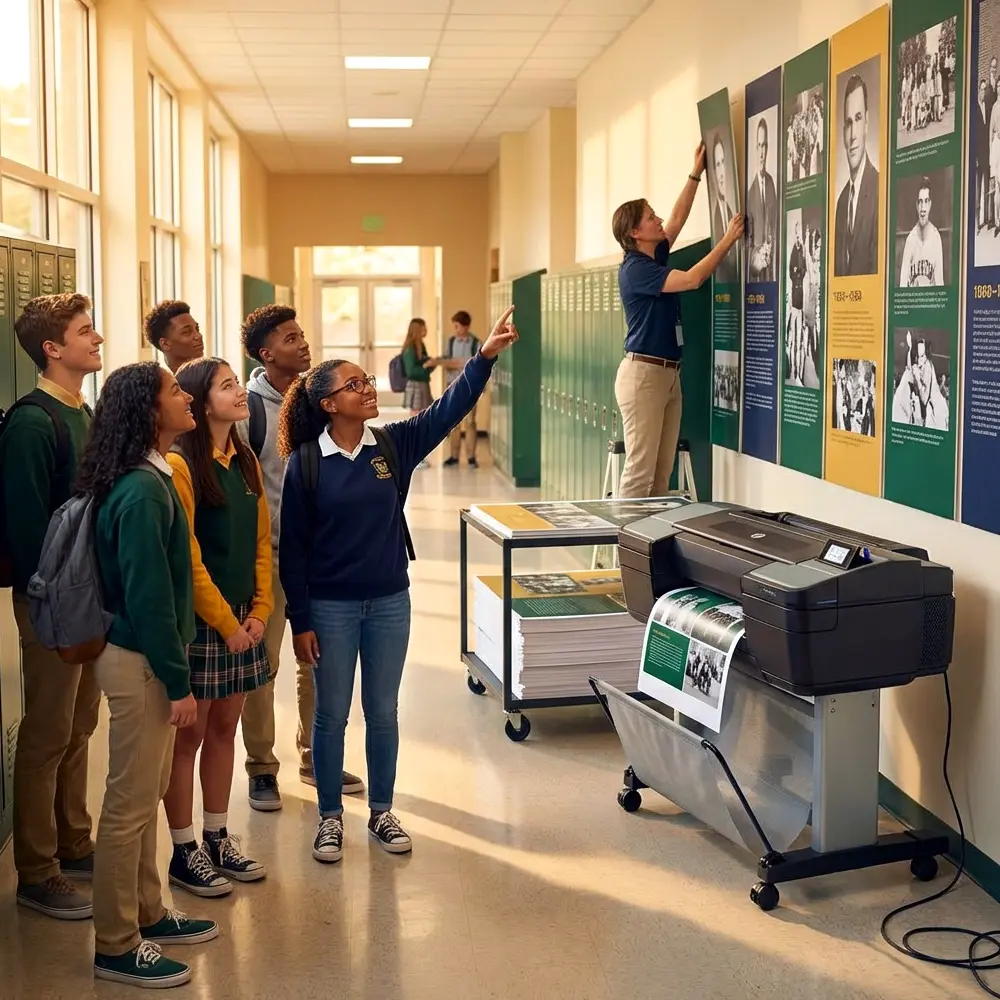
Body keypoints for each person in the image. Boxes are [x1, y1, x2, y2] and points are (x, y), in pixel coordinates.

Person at [278, 307, 518, 863]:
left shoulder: (390, 446)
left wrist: (483, 359)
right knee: (331, 713)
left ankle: (382, 811)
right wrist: (302, 622)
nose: (366, 389)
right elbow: (293, 550)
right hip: (331, 609)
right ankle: (331, 818)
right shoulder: (308, 464)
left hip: (389, 601)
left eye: (365, 381)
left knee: (383, 711)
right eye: (353, 385)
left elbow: (447, 410)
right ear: (328, 404)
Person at [77, 362, 217, 989]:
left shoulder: (155, 475)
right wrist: (179, 682)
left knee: (147, 788)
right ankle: (115, 943)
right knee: (128, 806)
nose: (185, 397)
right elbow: (150, 598)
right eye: (173, 392)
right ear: (147, 411)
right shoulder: (139, 492)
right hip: (139, 663)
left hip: (149, 659)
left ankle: (148, 912)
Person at [238, 304, 365, 811]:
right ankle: (262, 769)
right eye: (291, 338)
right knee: (262, 665)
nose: (303, 343)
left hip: (319, 557)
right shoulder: (249, 410)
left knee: (314, 660)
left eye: (302, 333)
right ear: (268, 353)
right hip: (268, 559)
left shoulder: (318, 399)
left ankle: (315, 758)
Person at [0, 293, 102, 920]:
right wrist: (53, 604)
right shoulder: (32, 423)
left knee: (80, 724)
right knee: (45, 733)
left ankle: (72, 839)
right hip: (51, 601)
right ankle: (36, 870)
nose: (96, 338)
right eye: (84, 331)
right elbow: (28, 527)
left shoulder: (80, 411)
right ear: (52, 349)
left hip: (88, 596)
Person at [163, 358, 272, 898]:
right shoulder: (183, 464)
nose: (240, 392)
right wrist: (228, 624)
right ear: (202, 401)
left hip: (244, 622)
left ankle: (216, 835)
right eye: (228, 386)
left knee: (226, 731)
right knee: (191, 737)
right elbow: (188, 559)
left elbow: (259, 544)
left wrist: (260, 611)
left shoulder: (246, 457)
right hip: (207, 625)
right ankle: (184, 850)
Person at [611, 148, 745, 500]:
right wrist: (727, 241)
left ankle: (649, 554)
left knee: (660, 478)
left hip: (668, 374)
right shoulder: (636, 269)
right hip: (644, 377)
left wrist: (695, 174)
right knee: (639, 477)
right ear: (636, 233)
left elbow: (676, 219)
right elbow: (692, 280)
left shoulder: (651, 254)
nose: (658, 221)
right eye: (650, 218)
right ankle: (624, 556)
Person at [834, 74, 880, 277]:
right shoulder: (842, 201)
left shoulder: (880, 189)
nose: (853, 135)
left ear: (867, 124)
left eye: (858, 119)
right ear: (843, 131)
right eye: (848, 123)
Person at [441, 310, 481, 468]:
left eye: (458, 327)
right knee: (454, 423)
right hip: (453, 386)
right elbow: (446, 361)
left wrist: (459, 363)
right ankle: (454, 456)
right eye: (455, 326)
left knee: (470, 422)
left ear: (466, 326)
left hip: (470, 387)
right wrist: (455, 363)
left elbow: (478, 364)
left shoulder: (475, 343)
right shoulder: (450, 342)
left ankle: (471, 457)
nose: (456, 330)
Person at [747, 118, 778, 283]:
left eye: (764, 145)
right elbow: (748, 243)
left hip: (772, 269)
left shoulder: (772, 184)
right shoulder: (750, 194)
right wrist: (757, 258)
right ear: (755, 149)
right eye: (759, 146)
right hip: (757, 274)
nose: (762, 152)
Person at [899, 177, 944, 287]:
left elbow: (939, 283)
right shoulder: (910, 240)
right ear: (916, 205)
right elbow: (903, 283)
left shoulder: (936, 238)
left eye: (926, 201)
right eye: (920, 202)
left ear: (930, 204)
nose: (923, 208)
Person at [144, 301, 204, 373]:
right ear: (165, 344)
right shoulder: (158, 382)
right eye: (187, 332)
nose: (198, 336)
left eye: (197, 329)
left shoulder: (215, 375)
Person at [710, 135, 739, 284]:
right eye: (717, 165)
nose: (722, 174)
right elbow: (693, 279)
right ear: (713, 172)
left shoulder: (729, 211)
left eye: (723, 163)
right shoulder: (714, 217)